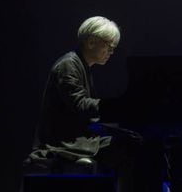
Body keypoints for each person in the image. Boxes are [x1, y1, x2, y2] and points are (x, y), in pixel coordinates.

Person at [25, 16, 162, 191]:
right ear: (91, 42)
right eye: (109, 46)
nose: (111, 52)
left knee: (139, 141)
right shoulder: (68, 65)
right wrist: (116, 106)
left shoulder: (82, 65)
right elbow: (79, 104)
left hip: (79, 137)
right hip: (65, 142)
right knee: (135, 148)